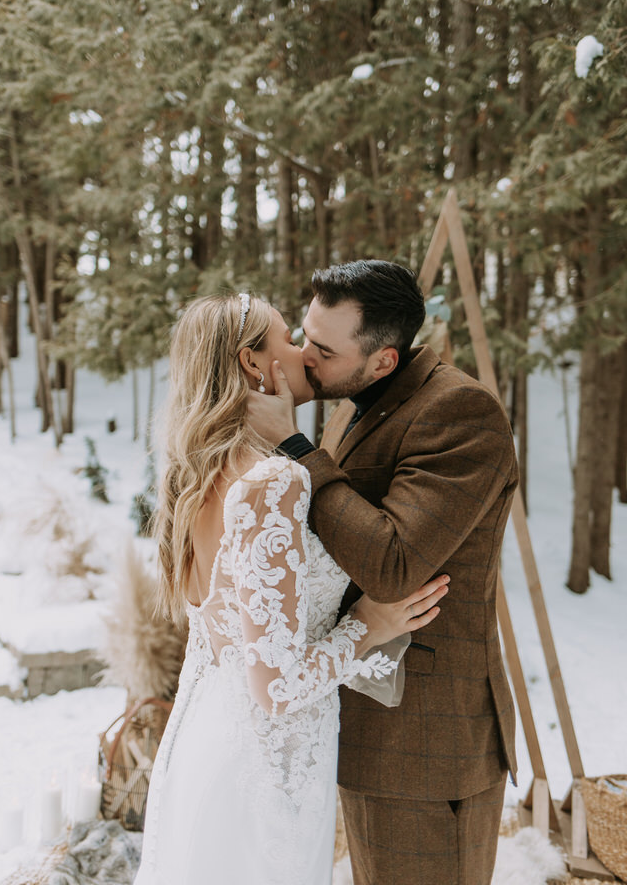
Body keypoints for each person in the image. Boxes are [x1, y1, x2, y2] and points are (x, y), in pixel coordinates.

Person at [133, 292, 449, 885]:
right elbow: (275, 686)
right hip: (264, 765)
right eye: (288, 337)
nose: (305, 352)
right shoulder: (272, 480)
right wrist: (369, 628)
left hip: (205, 740)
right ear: (255, 363)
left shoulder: (196, 470)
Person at [247, 260, 519, 885]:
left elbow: (393, 565)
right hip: (370, 727)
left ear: (383, 361)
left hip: (425, 744)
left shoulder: (460, 414)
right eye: (303, 332)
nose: (303, 355)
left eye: (322, 348)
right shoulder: (363, 401)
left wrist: (295, 449)